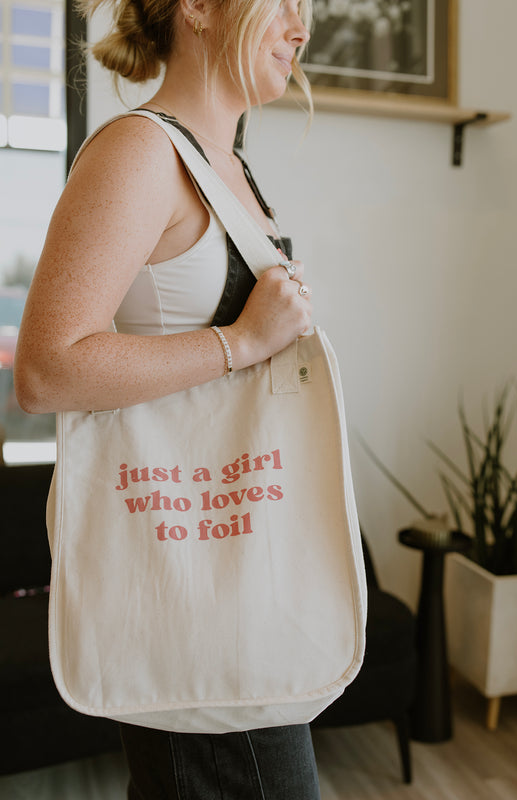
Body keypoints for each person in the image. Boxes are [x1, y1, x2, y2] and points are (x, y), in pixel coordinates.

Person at [15, 0, 320, 797]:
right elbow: (47, 369)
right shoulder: (138, 152)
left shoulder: (232, 167)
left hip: (237, 564)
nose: (301, 26)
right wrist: (243, 342)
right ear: (198, 8)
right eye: (283, 0)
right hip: (190, 575)